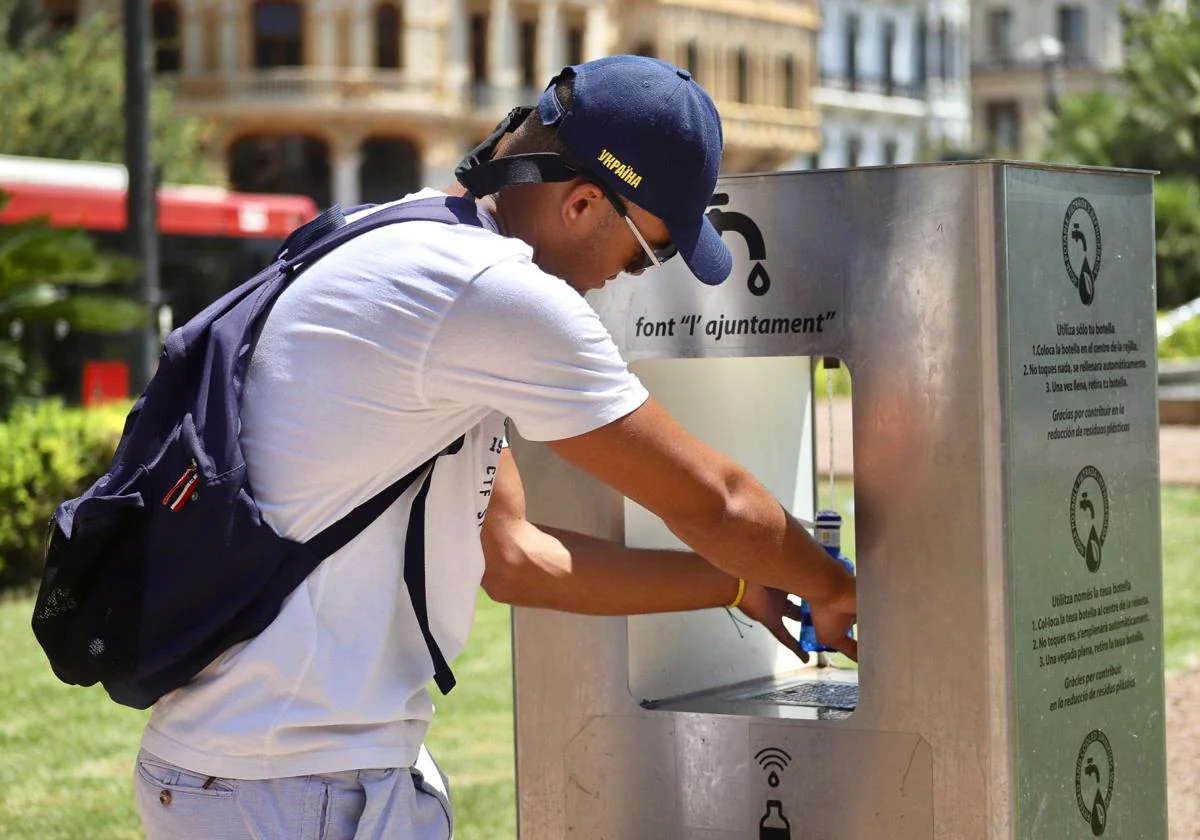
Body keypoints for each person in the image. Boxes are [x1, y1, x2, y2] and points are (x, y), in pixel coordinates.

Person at [132, 54, 857, 840]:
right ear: (584, 203)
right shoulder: (494, 292)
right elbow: (713, 502)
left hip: (241, 772)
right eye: (647, 250)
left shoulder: (404, 235)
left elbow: (513, 557)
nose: (626, 276)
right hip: (298, 787)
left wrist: (736, 586)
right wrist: (831, 585)